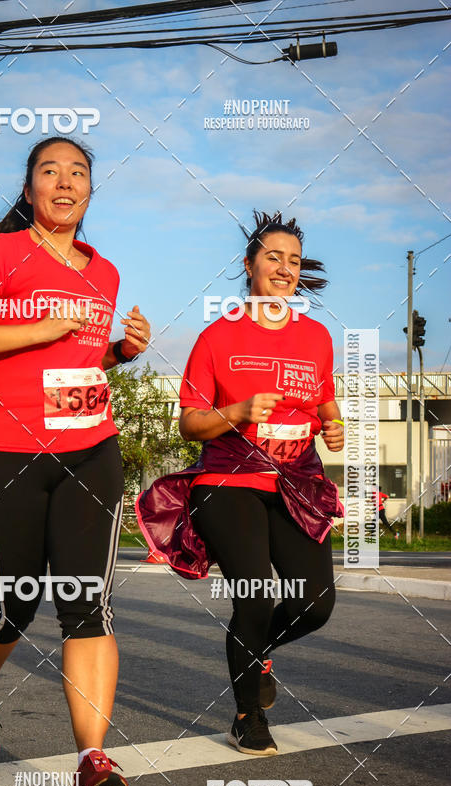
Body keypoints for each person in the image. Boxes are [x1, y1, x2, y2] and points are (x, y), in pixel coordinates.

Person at [0, 136, 150, 786]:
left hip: (91, 449)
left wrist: (120, 350)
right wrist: (36, 329)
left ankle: (92, 761)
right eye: (49, 171)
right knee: (13, 603)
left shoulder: (105, 272)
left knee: (88, 599)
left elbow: (76, 365)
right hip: (7, 451)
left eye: (78, 172)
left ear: (90, 190)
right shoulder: (4, 255)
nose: (65, 182)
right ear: (29, 191)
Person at [137, 212, 344, 756]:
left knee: (315, 603)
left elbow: (324, 399)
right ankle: (248, 715)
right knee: (253, 598)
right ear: (249, 265)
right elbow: (189, 423)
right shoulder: (217, 336)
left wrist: (335, 423)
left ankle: (258, 655)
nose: (284, 268)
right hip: (228, 478)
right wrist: (240, 410)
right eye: (273, 257)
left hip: (295, 480)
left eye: (294, 260)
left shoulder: (317, 337)